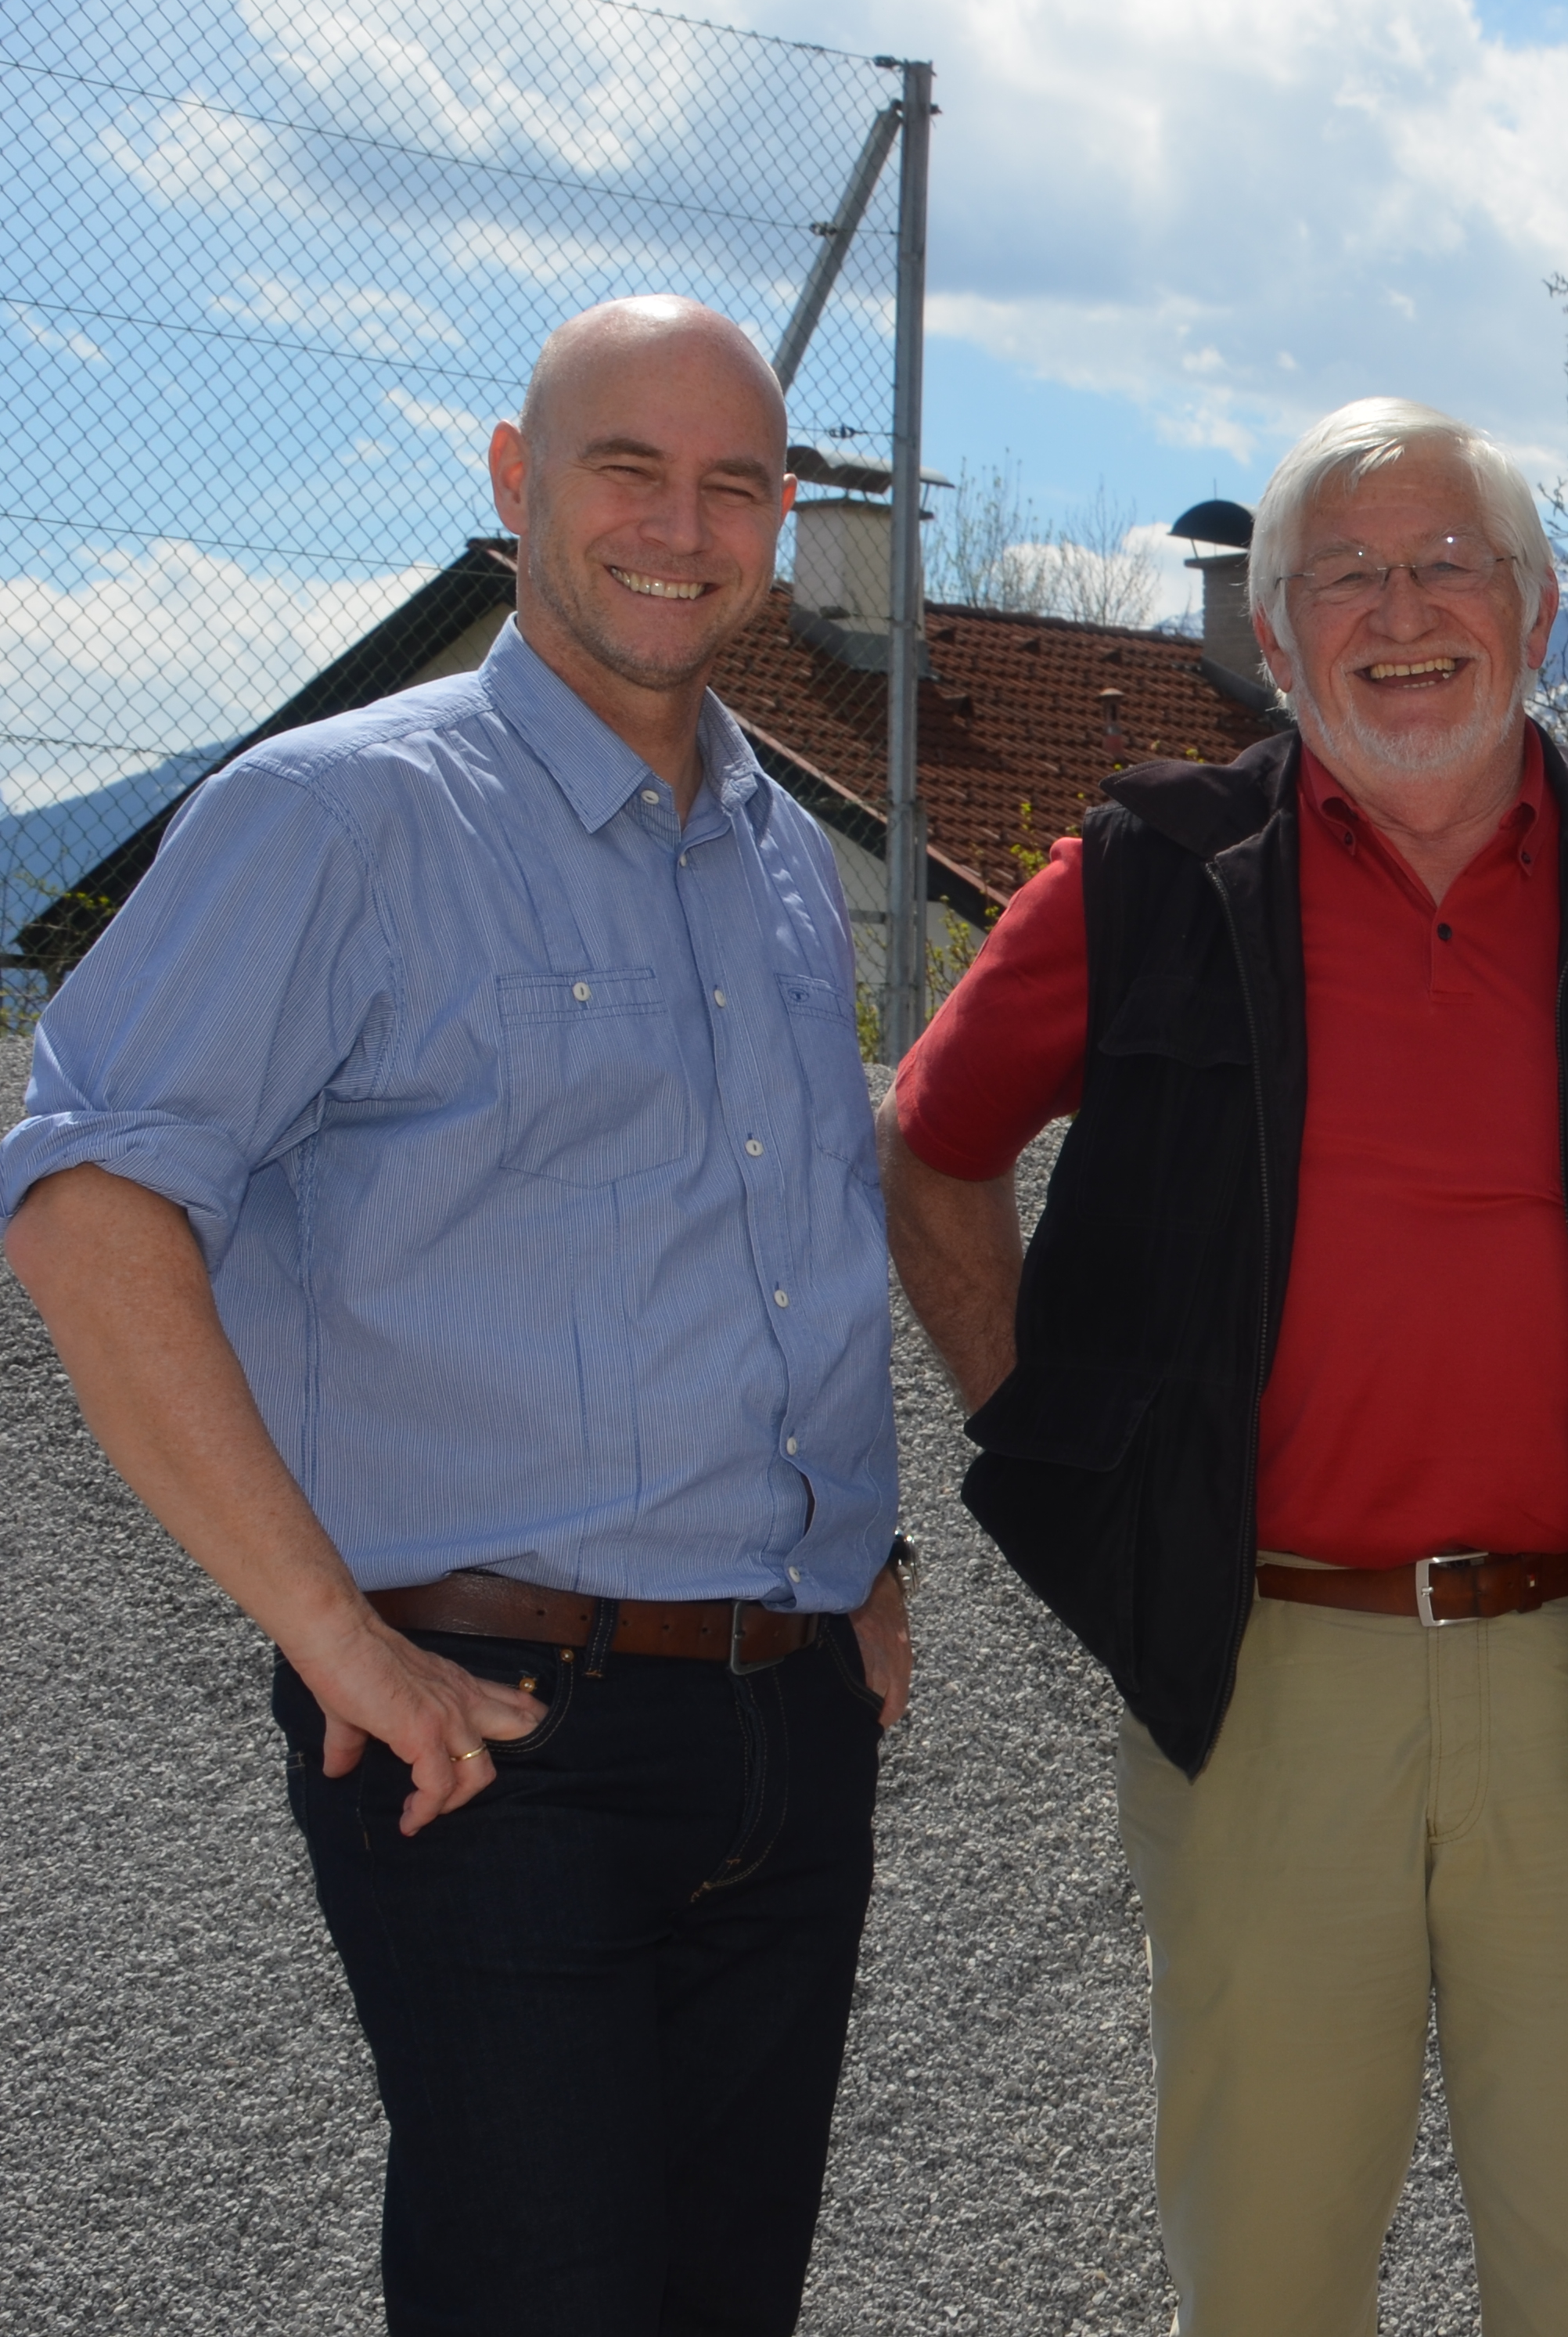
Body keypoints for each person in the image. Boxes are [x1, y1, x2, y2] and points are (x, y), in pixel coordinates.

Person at [878, 396, 1568, 2335]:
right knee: (1267, 2279)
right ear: (1272, 633)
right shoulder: (1147, 881)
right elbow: (928, 1144)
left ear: (1538, 610)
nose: (1401, 615)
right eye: (1344, 577)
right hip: (1268, 1676)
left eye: (1447, 567)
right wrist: (1048, 1439)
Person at [0, 296, 909, 2335]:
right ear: (514, 481)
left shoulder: (780, 852)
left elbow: (766, 1236)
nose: (681, 526)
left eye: (735, 485)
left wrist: (865, 1566)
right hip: (491, 1733)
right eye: (627, 469)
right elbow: (87, 1210)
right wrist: (331, 1633)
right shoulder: (338, 816)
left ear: (781, 519)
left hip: (783, 1729)